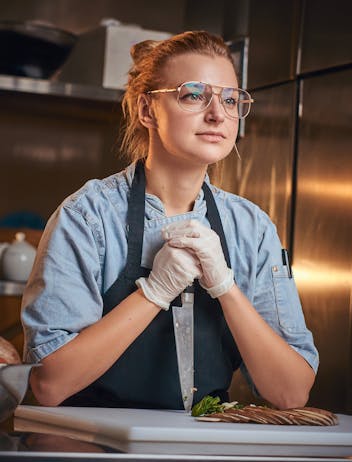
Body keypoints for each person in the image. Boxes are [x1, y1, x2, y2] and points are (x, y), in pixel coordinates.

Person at [21, 30, 318, 410]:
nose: (217, 114)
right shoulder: (88, 217)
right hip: (91, 445)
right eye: (193, 94)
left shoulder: (252, 229)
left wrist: (225, 286)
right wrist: (154, 292)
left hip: (201, 447)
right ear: (147, 110)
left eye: (230, 99)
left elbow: (291, 393)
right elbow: (49, 384)